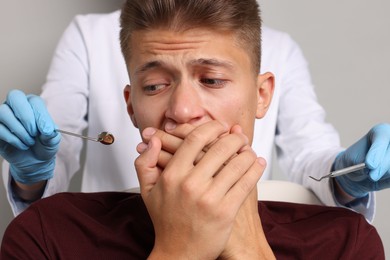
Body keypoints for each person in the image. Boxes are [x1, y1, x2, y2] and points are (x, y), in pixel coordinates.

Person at [0, 0, 385, 258]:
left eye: (213, 80)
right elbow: (56, 144)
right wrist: (31, 175)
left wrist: (343, 180)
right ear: (130, 104)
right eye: (154, 86)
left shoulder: (344, 243)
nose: (182, 111)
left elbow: (309, 150)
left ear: (263, 94)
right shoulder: (50, 236)